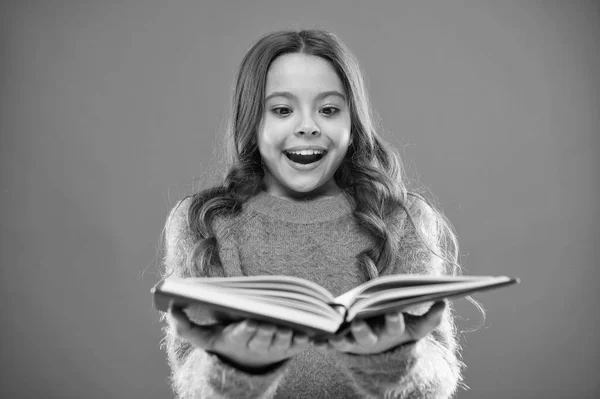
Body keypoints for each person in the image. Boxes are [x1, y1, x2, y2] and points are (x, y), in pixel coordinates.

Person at [160, 29, 466, 398]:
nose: (307, 126)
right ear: (252, 123)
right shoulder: (204, 224)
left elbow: (437, 377)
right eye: (283, 110)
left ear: (352, 125)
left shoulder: (402, 219)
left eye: (328, 110)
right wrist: (235, 366)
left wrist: (398, 360)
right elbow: (193, 384)